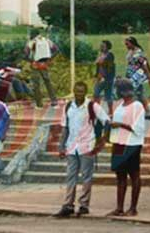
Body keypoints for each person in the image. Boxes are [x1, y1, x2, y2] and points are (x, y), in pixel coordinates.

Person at [54, 82, 110, 218]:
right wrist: (61, 146)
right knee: (71, 176)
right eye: (77, 91)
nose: (79, 94)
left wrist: (101, 141)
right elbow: (65, 127)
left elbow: (107, 122)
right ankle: (68, 205)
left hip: (87, 146)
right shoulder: (69, 107)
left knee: (86, 177)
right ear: (73, 91)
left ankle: (84, 204)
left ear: (85, 92)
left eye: (81, 92)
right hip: (72, 146)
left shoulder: (92, 106)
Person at [107, 79, 145, 217]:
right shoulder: (120, 106)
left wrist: (120, 124)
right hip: (118, 143)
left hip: (132, 144)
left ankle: (133, 208)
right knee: (120, 176)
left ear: (123, 91)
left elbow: (139, 128)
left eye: (117, 90)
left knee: (134, 175)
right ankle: (119, 207)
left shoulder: (137, 106)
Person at [25, 29, 59, 108]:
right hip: (45, 64)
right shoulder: (47, 40)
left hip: (36, 64)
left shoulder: (32, 42)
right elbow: (56, 50)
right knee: (48, 82)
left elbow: (26, 52)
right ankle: (54, 101)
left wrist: (31, 61)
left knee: (36, 84)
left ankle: (39, 104)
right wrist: (50, 59)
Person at [124, 37, 150, 120]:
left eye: (127, 44)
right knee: (140, 95)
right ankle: (147, 112)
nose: (126, 46)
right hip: (131, 75)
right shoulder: (130, 51)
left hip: (137, 76)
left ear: (132, 43)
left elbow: (144, 65)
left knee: (132, 94)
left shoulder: (139, 52)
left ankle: (135, 113)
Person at [93, 40, 116, 115]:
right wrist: (96, 76)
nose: (101, 47)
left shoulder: (110, 55)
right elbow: (97, 65)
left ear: (107, 47)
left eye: (103, 46)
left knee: (108, 95)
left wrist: (100, 61)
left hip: (107, 78)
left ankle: (110, 111)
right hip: (99, 77)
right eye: (101, 46)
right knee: (96, 94)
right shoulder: (100, 54)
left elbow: (107, 65)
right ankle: (97, 110)